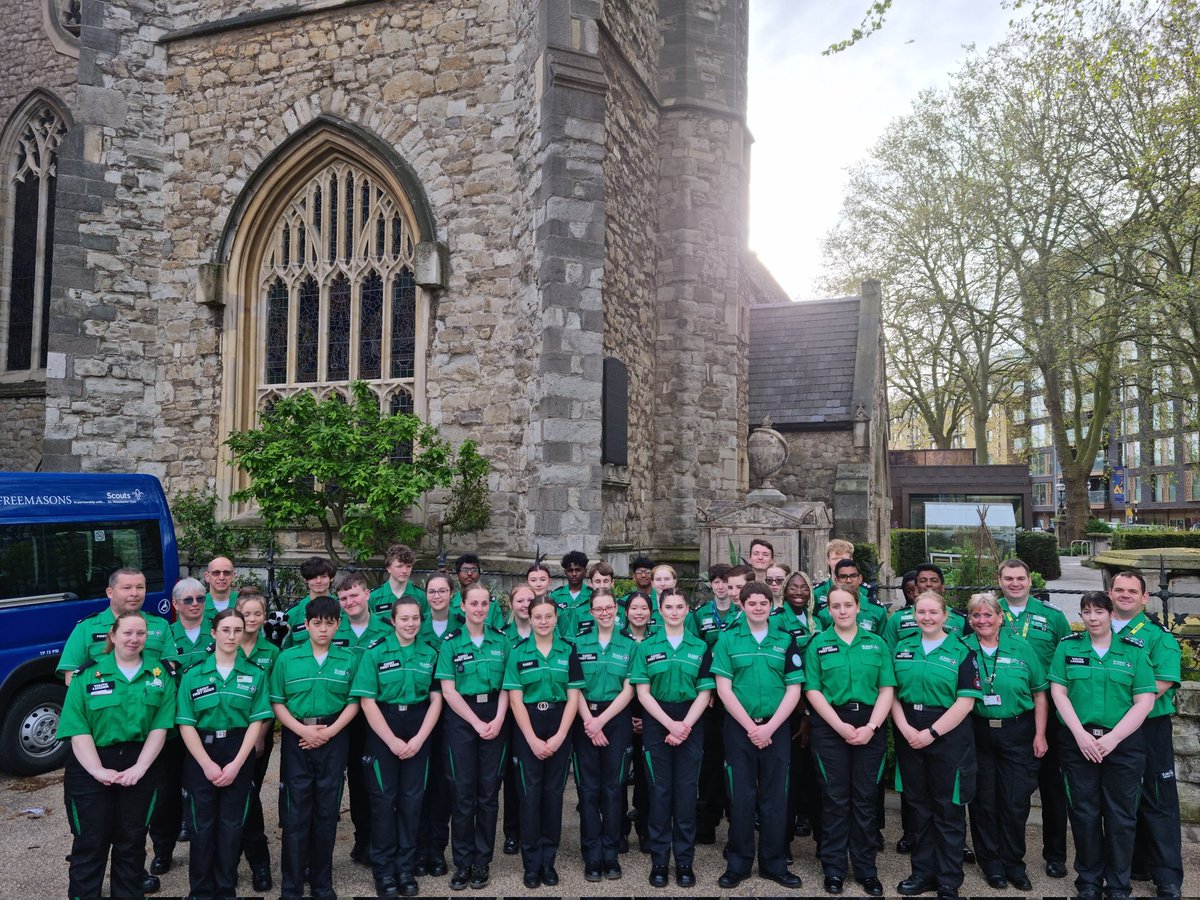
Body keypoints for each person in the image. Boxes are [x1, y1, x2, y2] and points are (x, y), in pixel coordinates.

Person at [56, 610, 177, 900]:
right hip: (91, 765)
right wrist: (98, 771)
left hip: (140, 766)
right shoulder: (87, 675)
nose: (134, 639)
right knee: (90, 843)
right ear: (112, 636)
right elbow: (77, 727)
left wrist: (140, 768)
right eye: (127, 633)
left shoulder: (160, 676)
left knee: (132, 841)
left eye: (141, 633)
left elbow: (160, 727)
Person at [1049, 591, 1156, 900]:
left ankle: (1119, 885)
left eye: (1098, 611)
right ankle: (1089, 882)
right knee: (1084, 815)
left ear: (1110, 614)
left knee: (1121, 817)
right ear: (1081, 616)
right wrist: (1080, 735)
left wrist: (1113, 738)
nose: (1092, 618)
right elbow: (1059, 693)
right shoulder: (1068, 648)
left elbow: (1144, 701)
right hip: (1078, 744)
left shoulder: (1133, 651)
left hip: (1121, 745)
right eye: (1087, 612)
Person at [710, 581, 805, 889]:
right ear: (743, 605)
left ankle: (774, 864)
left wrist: (770, 727)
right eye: (752, 603)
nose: (758, 608)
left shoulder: (784, 639)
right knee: (741, 797)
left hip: (776, 729)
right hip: (740, 729)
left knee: (775, 798)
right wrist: (752, 728)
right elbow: (723, 688)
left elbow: (794, 688)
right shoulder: (727, 640)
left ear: (770, 605)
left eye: (763, 603)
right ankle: (737, 864)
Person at [890, 590, 982, 899]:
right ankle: (922, 873)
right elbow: (891, 693)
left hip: (947, 735)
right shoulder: (902, 648)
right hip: (909, 733)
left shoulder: (962, 651)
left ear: (945, 616)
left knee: (948, 810)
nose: (926, 617)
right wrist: (904, 728)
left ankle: (948, 879)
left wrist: (931, 732)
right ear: (914, 615)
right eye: (921, 612)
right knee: (918, 808)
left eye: (933, 612)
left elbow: (966, 701)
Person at [803, 586, 895, 897]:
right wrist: (840, 727)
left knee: (866, 799)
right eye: (835, 606)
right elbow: (813, 691)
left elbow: (886, 689)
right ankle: (834, 870)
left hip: (870, 725)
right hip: (831, 727)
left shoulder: (877, 643)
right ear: (827, 610)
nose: (842, 611)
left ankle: (866, 869)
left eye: (847, 605)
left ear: (858, 607)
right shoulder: (818, 644)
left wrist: (871, 725)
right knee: (834, 800)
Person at [176, 607, 272, 900]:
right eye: (226, 630)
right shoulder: (194, 675)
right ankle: (201, 891)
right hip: (201, 752)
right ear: (214, 633)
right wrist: (206, 764)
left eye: (237, 630)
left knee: (232, 826)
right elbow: (186, 723)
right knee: (201, 826)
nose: (231, 636)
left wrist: (235, 765)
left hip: (237, 751)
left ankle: (225, 889)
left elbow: (257, 721)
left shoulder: (255, 675)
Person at [351, 594, 444, 897]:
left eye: (415, 618)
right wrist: (391, 740)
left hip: (419, 726)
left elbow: (436, 700)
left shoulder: (430, 654)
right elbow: (367, 700)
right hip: (383, 727)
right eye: (404, 618)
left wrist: (418, 739)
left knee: (411, 802)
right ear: (392, 620)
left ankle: (405, 867)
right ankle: (384, 870)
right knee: (383, 802)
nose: (410, 624)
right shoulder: (375, 652)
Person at [269, 595, 361, 900]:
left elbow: (353, 701)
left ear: (338, 625)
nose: (323, 629)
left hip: (334, 738)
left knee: (326, 814)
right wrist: (301, 730)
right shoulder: (287, 659)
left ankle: (322, 882)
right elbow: (278, 702)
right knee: (295, 817)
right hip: (297, 739)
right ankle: (292, 886)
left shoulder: (347, 660)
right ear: (306, 625)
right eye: (317, 623)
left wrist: (330, 731)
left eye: (330, 623)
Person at [963, 591, 1047, 892]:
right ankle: (992, 865)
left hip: (1017, 731)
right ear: (970, 619)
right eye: (976, 615)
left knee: (1014, 802)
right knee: (984, 802)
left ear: (1000, 617)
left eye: (988, 615)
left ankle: (1013, 863)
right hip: (977, 731)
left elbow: (1039, 692)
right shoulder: (963, 649)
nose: (982, 620)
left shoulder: (1022, 648)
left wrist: (1039, 734)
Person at [631, 586, 713, 889]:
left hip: (691, 720)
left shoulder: (700, 647)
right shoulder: (646, 646)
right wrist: (669, 725)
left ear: (687, 610)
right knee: (660, 794)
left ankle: (685, 863)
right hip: (657, 721)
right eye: (669, 607)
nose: (675, 612)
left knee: (686, 795)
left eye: (680, 607)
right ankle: (659, 863)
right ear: (660, 611)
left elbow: (705, 691)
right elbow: (643, 691)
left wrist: (684, 726)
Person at [1108, 571, 1183, 898]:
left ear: (1144, 598)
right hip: (1110, 729)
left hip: (1149, 727)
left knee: (1158, 799)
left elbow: (1162, 682)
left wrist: (1128, 709)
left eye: (1131, 591)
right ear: (1109, 594)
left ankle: (1166, 875)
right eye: (1118, 589)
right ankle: (1133, 864)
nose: (1124, 595)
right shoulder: (1099, 631)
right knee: (1120, 801)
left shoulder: (1158, 635)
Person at [995, 557, 1071, 879]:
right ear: (999, 581)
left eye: (1020, 578)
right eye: (1009, 578)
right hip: (1008, 712)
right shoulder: (989, 611)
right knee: (1007, 791)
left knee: (1052, 788)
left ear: (1030, 581)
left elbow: (1066, 659)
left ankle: (1055, 855)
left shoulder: (1051, 617)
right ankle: (1006, 853)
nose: (1015, 583)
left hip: (1049, 713)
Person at [505, 596, 583, 888]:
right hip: (529, 727)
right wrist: (532, 739)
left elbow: (573, 695)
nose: (543, 621)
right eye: (537, 616)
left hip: (560, 723)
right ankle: (531, 863)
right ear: (530, 617)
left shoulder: (568, 651)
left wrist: (562, 735)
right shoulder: (517, 652)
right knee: (529, 797)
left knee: (553, 797)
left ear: (555, 618)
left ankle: (548, 862)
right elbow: (515, 698)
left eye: (548, 616)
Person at [435, 584, 510, 890]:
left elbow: (508, 685)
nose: (479, 608)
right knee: (463, 794)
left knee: (488, 795)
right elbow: (448, 690)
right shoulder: (451, 643)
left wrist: (497, 719)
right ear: (462, 607)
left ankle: (482, 862)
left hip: (495, 716)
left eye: (484, 603)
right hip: (462, 720)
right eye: (473, 603)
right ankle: (462, 862)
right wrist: (476, 723)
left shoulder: (502, 641)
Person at [150, 576, 213, 878]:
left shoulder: (218, 631)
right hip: (174, 727)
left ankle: (210, 850)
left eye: (200, 598)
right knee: (166, 792)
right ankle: (163, 851)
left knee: (206, 788)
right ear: (175, 604)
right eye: (187, 600)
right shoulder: (164, 635)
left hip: (208, 724)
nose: (195, 604)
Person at [572, 587, 636, 881]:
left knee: (614, 789)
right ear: (591, 613)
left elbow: (629, 687)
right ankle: (591, 854)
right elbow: (574, 687)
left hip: (615, 719)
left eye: (609, 608)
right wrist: (589, 720)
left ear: (616, 610)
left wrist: (602, 721)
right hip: (584, 718)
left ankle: (610, 853)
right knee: (588, 790)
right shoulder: (577, 643)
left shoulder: (629, 646)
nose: (605, 613)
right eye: (599, 609)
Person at [691, 564, 747, 844]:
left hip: (739, 696)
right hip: (712, 698)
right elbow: (698, 654)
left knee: (738, 763)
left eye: (732, 584)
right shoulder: (701, 615)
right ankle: (707, 820)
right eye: (720, 582)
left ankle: (738, 821)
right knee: (711, 761)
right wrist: (708, 689)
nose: (726, 588)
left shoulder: (748, 613)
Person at [772, 570, 820, 849]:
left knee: (816, 775)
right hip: (791, 708)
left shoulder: (819, 621)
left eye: (804, 587)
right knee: (789, 776)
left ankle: (818, 834)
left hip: (818, 706)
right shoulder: (777, 621)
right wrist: (804, 714)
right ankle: (784, 840)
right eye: (793, 587)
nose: (799, 592)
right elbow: (785, 672)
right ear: (785, 591)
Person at [236, 588, 279, 893]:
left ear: (265, 616)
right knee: (230, 800)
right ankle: (229, 857)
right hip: (225, 739)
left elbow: (271, 701)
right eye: (246, 613)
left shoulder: (272, 653)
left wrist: (261, 737)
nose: (252, 619)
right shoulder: (224, 645)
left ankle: (259, 863)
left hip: (259, 738)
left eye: (257, 613)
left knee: (248, 797)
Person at [58, 567, 170, 683]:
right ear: (110, 593)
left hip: (148, 698)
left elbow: (169, 671)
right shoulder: (86, 628)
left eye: (140, 587)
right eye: (127, 588)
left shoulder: (160, 625)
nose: (135, 593)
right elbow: (71, 678)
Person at [413, 574, 455, 877]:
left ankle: (437, 849)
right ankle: (417, 849)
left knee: (443, 785)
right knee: (417, 785)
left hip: (454, 716)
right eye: (432, 591)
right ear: (425, 595)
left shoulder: (463, 625)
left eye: (442, 590)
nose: (437, 595)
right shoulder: (416, 624)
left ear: (451, 594)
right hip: (419, 714)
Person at [500, 585, 535, 856]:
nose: (525, 604)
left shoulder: (547, 632)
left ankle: (535, 829)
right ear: (511, 605)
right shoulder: (502, 637)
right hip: (508, 714)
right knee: (512, 775)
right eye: (519, 600)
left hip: (537, 713)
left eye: (529, 600)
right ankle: (512, 832)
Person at [620, 590, 654, 852]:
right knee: (618, 776)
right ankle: (620, 829)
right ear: (627, 612)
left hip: (652, 716)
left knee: (646, 777)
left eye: (644, 608)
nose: (639, 613)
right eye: (634, 608)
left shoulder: (657, 641)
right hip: (620, 715)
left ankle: (645, 829)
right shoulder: (618, 640)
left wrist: (646, 718)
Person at [817, 559, 886, 633]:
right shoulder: (825, 613)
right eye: (843, 577)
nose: (849, 581)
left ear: (860, 579)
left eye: (853, 576)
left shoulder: (878, 610)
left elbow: (882, 642)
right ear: (836, 581)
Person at [283, 556, 337, 647]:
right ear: (305, 579)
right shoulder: (293, 614)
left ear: (331, 578)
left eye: (323, 576)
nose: (318, 581)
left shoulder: (344, 609)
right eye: (313, 577)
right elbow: (285, 649)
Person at [369, 544, 429, 619]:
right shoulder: (374, 597)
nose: (404, 571)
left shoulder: (421, 596)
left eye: (408, 566)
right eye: (399, 566)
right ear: (388, 568)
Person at [549, 550, 592, 635]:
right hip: (562, 645)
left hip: (586, 644)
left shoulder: (593, 596)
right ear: (565, 572)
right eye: (570, 570)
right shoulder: (555, 597)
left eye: (578, 570)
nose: (574, 574)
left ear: (585, 571)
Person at [811, 539, 856, 610]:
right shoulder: (817, 592)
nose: (839, 562)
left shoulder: (865, 591)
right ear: (828, 560)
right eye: (835, 559)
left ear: (851, 559)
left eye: (843, 558)